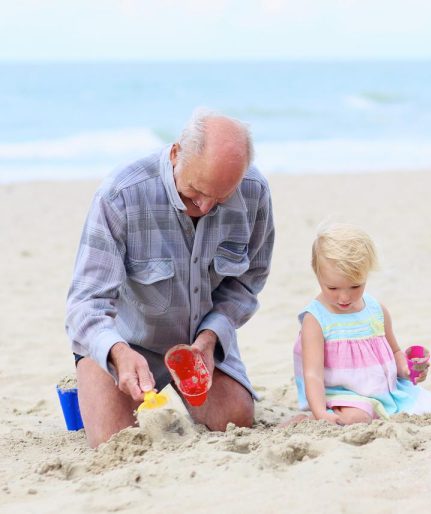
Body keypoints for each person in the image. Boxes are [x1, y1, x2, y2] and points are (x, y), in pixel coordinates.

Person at [65, 108, 275, 447]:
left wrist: (209, 339)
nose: (205, 207)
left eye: (220, 199)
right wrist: (116, 351)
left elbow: (248, 282)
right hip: (126, 342)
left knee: (235, 419)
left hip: (201, 343)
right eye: (194, 192)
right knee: (113, 441)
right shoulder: (121, 194)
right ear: (176, 153)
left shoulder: (254, 191)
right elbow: (85, 303)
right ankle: (89, 384)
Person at [290, 223, 431, 425]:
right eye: (333, 287)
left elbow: (395, 351)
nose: (344, 297)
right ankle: (306, 419)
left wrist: (407, 370)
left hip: (384, 391)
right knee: (358, 418)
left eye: (355, 286)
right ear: (317, 273)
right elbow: (313, 374)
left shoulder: (375, 311)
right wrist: (320, 413)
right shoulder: (316, 320)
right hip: (342, 396)